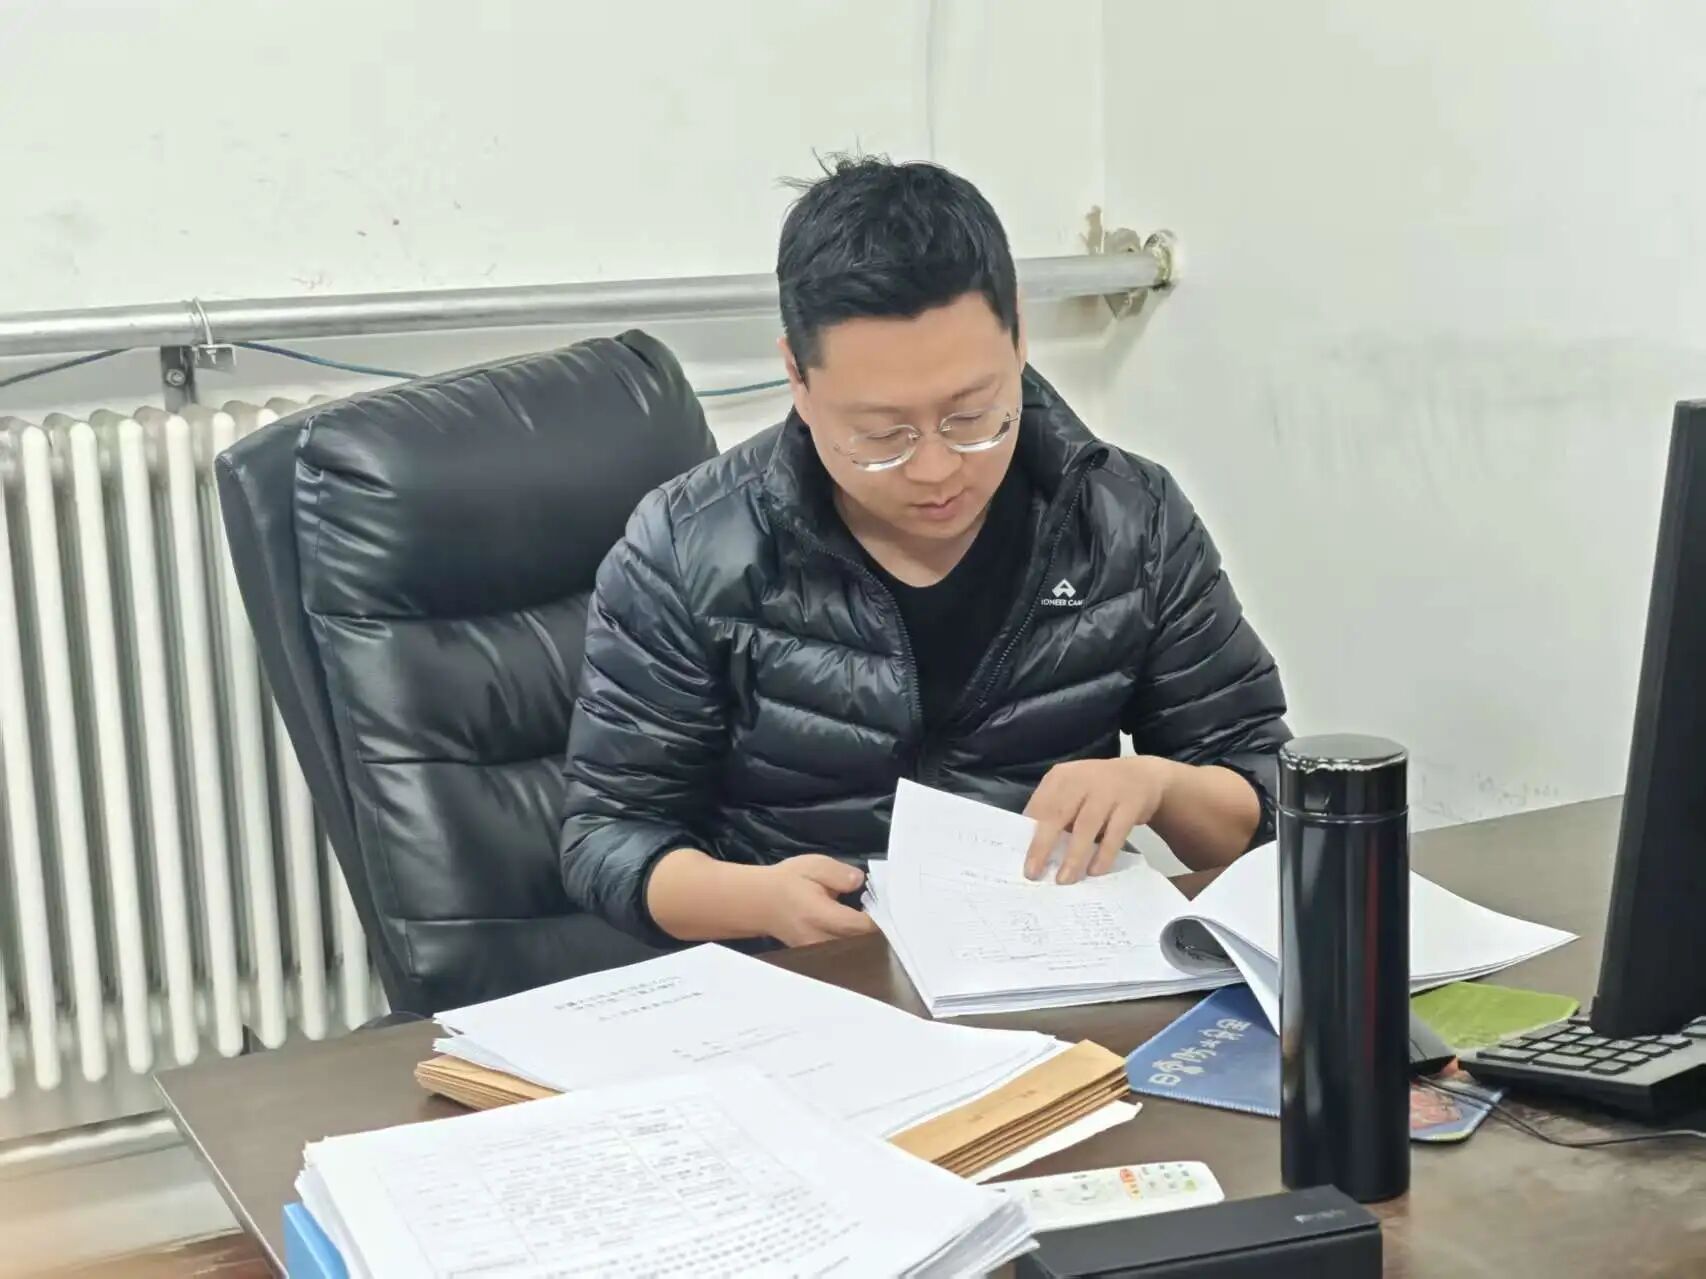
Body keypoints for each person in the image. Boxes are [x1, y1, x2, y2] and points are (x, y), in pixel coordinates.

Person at [561, 157, 1288, 948]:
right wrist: (758, 900)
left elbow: (1269, 795)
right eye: (882, 435)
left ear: (1019, 335)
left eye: (972, 416)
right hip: (802, 978)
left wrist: (1159, 784)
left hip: (1052, 975)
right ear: (797, 376)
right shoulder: (687, 546)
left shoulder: (1128, 519)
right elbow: (608, 837)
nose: (936, 469)